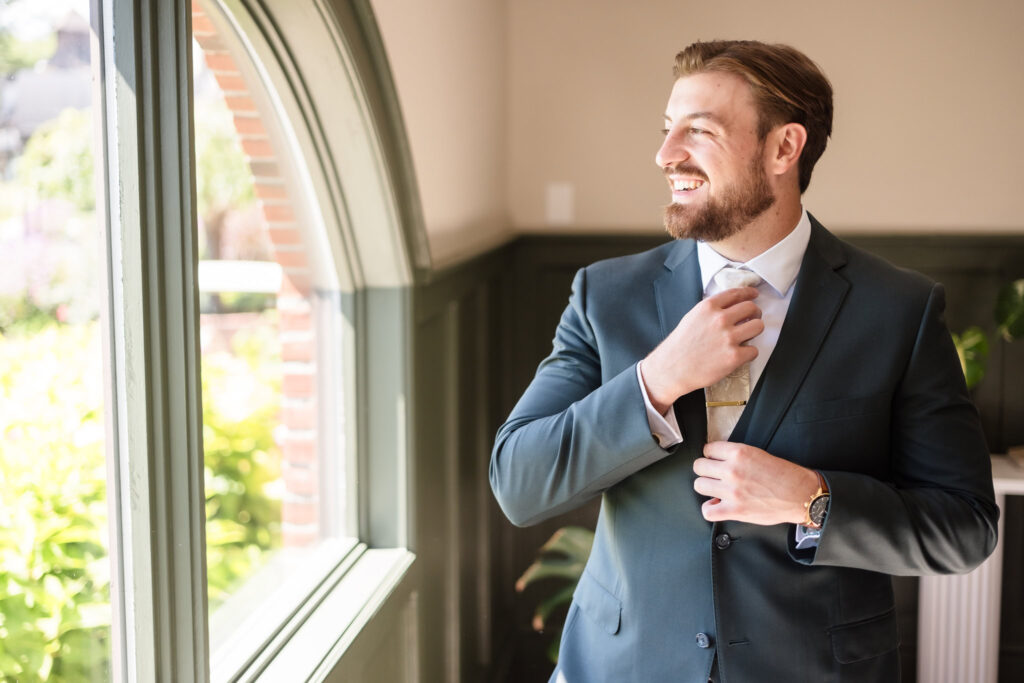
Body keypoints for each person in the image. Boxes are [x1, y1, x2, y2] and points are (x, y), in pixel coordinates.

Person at [489, 40, 998, 683]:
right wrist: (658, 380)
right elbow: (518, 481)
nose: (666, 154)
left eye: (697, 131)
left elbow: (965, 528)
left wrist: (812, 500)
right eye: (667, 129)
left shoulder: (899, 310)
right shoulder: (604, 296)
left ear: (784, 148)